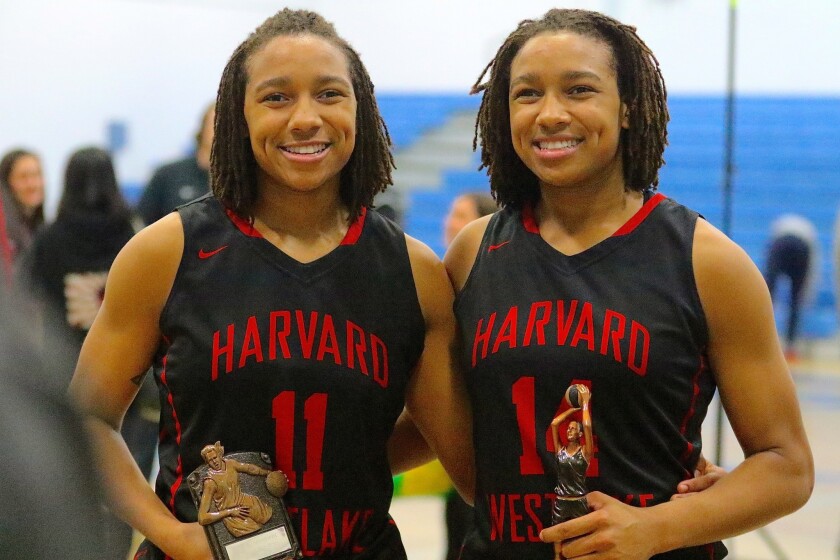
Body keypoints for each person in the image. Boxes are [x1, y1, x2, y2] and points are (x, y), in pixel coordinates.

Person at [68, 8, 473, 560]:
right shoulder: (165, 253)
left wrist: (346, 454)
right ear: (239, 116)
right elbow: (87, 421)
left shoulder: (414, 272)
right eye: (276, 97)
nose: (305, 118)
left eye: (330, 94)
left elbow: (449, 443)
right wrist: (170, 534)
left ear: (362, 108)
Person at [444, 8, 813, 559]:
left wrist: (659, 527)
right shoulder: (473, 251)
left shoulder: (706, 261)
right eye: (526, 94)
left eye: (579, 89)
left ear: (628, 108)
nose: (550, 114)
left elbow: (787, 466)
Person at [19, 146, 136, 388]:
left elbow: (26, 293)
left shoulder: (49, 239)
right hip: (126, 365)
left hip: (64, 366)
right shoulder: (132, 237)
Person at [136, 102, 215, 226]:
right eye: (216, 124)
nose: (224, 132)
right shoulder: (167, 175)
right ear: (202, 130)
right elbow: (141, 222)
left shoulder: (244, 179)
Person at [763, 214, 819, 361]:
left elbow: (768, 267)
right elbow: (812, 269)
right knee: (795, 299)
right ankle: (790, 347)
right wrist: (806, 295)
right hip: (801, 246)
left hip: (782, 243)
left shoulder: (780, 226)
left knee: (768, 294)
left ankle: (761, 338)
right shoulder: (808, 232)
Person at [549, 385, 593, 560]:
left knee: (584, 538)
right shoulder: (560, 451)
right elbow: (554, 424)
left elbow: (588, 426)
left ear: (580, 434)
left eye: (573, 428)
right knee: (557, 539)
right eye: (568, 428)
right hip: (561, 500)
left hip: (579, 499)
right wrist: (571, 410)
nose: (569, 430)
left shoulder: (585, 453)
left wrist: (585, 406)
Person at [196, 442, 273, 537]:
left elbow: (249, 468)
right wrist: (230, 512)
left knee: (270, 519)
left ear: (220, 455)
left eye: (215, 457)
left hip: (248, 502)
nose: (214, 462)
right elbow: (202, 518)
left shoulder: (230, 463)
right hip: (234, 515)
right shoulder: (210, 482)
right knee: (254, 533)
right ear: (207, 463)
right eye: (210, 460)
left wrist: (267, 473)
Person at [0, 148, 45, 285]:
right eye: (23, 177)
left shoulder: (44, 229)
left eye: (36, 175)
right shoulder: (5, 234)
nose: (32, 184)